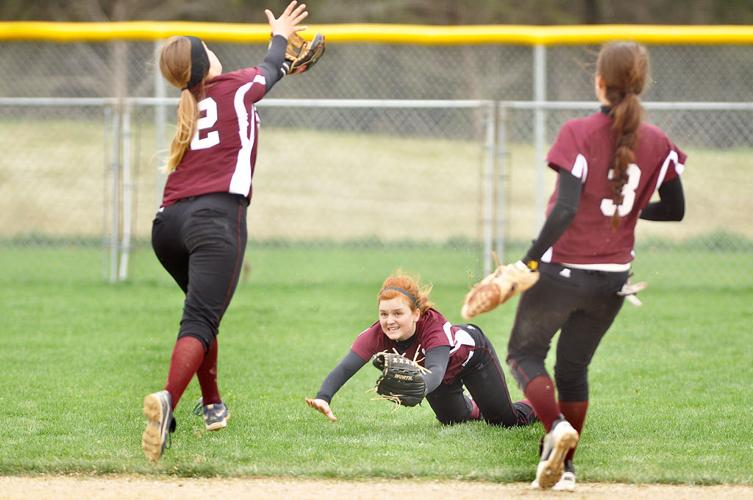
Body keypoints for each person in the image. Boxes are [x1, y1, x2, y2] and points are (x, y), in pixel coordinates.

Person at [498, 42, 686, 490]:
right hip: (613, 280)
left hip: (563, 271)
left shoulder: (579, 132)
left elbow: (563, 210)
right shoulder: (658, 141)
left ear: (599, 81)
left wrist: (528, 260)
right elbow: (675, 209)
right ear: (639, 83)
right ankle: (566, 469)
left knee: (524, 354)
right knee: (573, 369)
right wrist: (628, 210)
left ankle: (556, 428)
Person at [141, 1, 310, 463]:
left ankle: (213, 405)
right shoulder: (234, 85)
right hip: (215, 220)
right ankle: (167, 402)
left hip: (167, 224)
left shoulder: (192, 102)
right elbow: (270, 68)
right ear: (203, 63)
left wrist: (281, 62)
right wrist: (281, 35)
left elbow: (269, 74)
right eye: (208, 50)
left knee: (201, 314)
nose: (215, 53)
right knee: (200, 319)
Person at [306, 272, 537, 428]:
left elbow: (435, 371)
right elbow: (347, 366)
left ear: (416, 314)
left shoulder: (433, 327)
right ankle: (478, 406)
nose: (389, 321)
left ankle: (537, 403)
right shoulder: (378, 334)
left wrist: (417, 388)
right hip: (437, 376)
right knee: (452, 420)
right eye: (384, 314)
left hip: (473, 357)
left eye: (398, 313)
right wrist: (323, 397)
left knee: (505, 422)